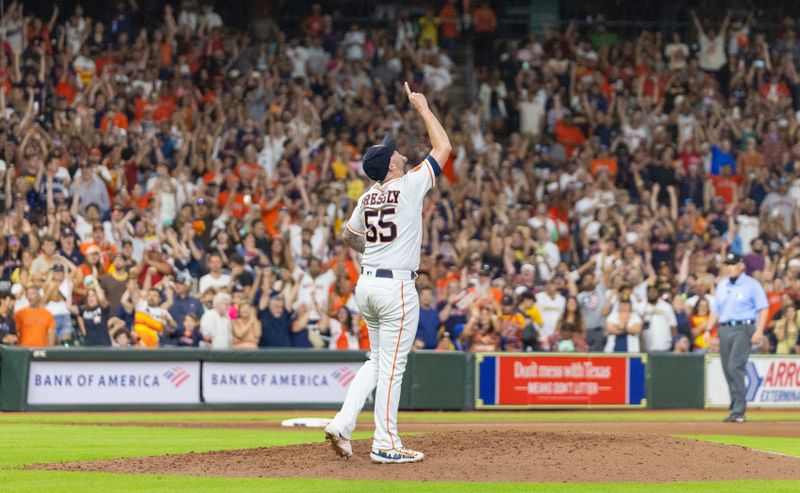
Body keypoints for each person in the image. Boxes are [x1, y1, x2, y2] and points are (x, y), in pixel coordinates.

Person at [325, 82, 451, 464]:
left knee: (376, 362)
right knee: (393, 369)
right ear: (392, 165)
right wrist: (423, 108)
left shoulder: (367, 196)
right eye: (393, 151)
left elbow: (348, 235)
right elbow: (444, 148)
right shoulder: (410, 185)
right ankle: (384, 443)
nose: (398, 151)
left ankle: (343, 423)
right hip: (395, 287)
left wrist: (376, 251)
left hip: (367, 283)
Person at [705, 252, 768, 423]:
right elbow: (716, 310)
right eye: (728, 264)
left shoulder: (752, 284)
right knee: (727, 369)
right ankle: (735, 408)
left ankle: (739, 410)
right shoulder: (722, 284)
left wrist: (759, 331)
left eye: (733, 264)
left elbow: (763, 308)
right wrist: (708, 329)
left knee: (735, 366)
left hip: (743, 327)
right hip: (724, 329)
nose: (730, 267)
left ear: (741, 265)